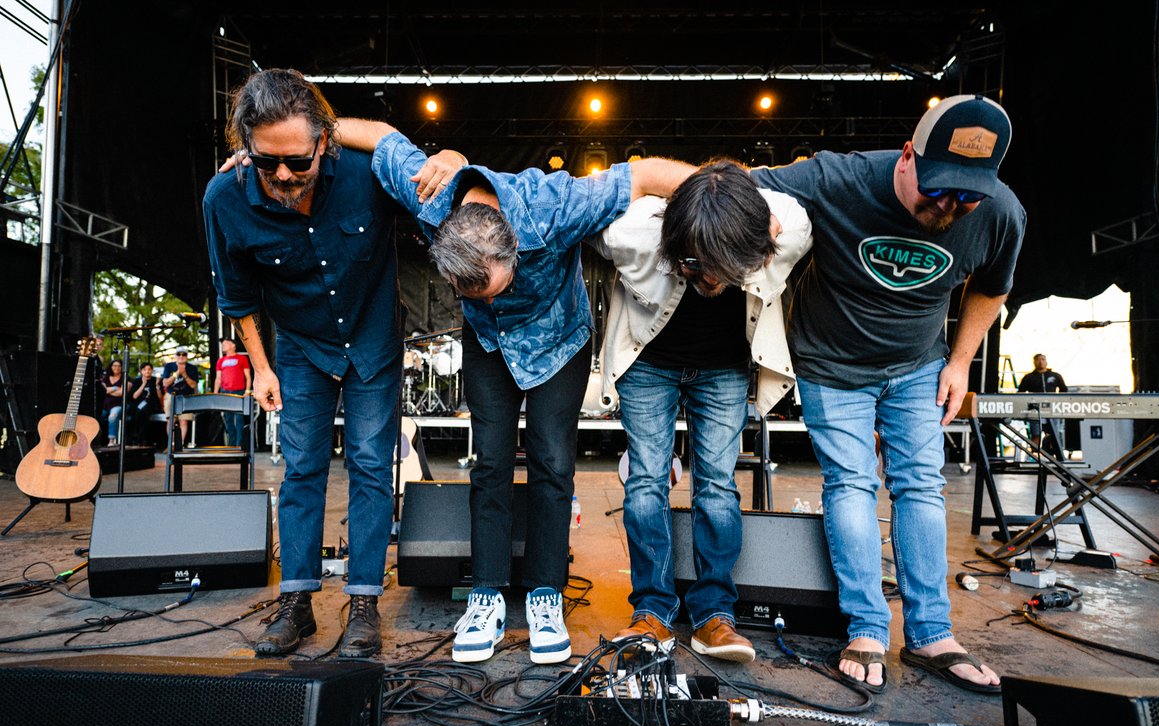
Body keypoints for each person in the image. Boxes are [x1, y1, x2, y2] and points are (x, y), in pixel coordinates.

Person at [334, 116, 694, 665]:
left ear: (512, 252)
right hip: (489, 347)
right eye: (469, 292)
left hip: (559, 343)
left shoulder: (558, 204)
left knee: (553, 462)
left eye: (493, 288)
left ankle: (546, 594)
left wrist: (731, 197)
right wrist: (286, 141)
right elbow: (382, 137)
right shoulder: (433, 197)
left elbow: (645, 174)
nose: (488, 297)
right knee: (489, 464)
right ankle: (486, 595)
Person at [753, 94, 1024, 694]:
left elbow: (992, 288)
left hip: (919, 364)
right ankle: (867, 628)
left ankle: (931, 635)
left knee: (921, 485)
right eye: (938, 189)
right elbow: (732, 188)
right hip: (832, 363)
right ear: (908, 155)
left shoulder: (1002, 212)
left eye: (966, 195)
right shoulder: (836, 177)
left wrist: (959, 363)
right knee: (850, 483)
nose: (950, 206)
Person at [204, 69, 461, 659]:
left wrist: (451, 155)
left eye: (297, 159)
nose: (284, 176)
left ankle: (364, 603)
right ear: (245, 147)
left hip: (372, 340)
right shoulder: (224, 198)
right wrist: (261, 368)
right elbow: (237, 297)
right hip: (298, 347)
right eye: (267, 163)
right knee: (301, 470)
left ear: (325, 140)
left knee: (372, 466)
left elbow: (423, 173)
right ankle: (297, 603)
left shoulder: (364, 170)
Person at [591, 160, 812, 661]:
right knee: (646, 481)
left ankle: (715, 615)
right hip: (649, 365)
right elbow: (595, 202)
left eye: (725, 267)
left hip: (725, 369)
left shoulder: (781, 225)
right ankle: (652, 612)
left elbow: (793, 217)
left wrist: (753, 209)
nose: (710, 278)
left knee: (717, 485)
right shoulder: (633, 232)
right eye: (694, 264)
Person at [1017, 353, 1068, 457]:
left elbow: (1064, 390)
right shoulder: (1029, 377)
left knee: (1054, 433)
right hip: (1035, 410)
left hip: (1052, 409)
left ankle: (1054, 455)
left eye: (1043, 359)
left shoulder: (1055, 376)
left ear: (1046, 361)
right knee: (1036, 433)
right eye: (1038, 360)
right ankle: (1035, 456)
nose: (1040, 362)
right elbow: (1020, 393)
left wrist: (1059, 402)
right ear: (1034, 362)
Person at [213, 336, 252, 447]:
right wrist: (216, 394)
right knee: (228, 419)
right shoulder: (221, 361)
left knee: (239, 419)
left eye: (225, 343)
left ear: (233, 345)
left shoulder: (242, 358)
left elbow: (248, 376)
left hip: (239, 392)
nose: (223, 345)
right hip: (225, 392)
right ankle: (231, 444)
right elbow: (218, 379)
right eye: (222, 344)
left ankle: (239, 445)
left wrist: (247, 391)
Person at [161, 347, 199, 443]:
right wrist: (177, 373)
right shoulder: (169, 366)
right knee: (170, 421)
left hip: (186, 397)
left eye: (184, 354)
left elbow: (193, 385)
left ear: (187, 356)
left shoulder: (192, 368)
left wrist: (184, 374)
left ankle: (180, 444)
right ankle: (172, 444)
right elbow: (165, 383)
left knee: (184, 421)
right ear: (175, 356)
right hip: (171, 395)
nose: (181, 356)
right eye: (179, 354)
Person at [128, 362, 161, 446]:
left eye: (149, 369)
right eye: (144, 369)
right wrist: (143, 384)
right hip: (138, 403)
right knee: (135, 411)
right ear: (141, 371)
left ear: (152, 370)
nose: (147, 371)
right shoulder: (137, 380)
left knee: (144, 411)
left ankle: (141, 438)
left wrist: (157, 386)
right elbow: (134, 396)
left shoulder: (155, 380)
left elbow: (160, 397)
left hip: (151, 403)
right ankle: (136, 437)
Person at [100, 358, 132, 447]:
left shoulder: (126, 378)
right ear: (111, 367)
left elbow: (122, 393)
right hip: (105, 404)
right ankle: (97, 439)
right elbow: (102, 391)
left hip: (119, 404)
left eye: (119, 366)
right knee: (96, 416)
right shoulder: (105, 378)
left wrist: (108, 390)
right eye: (114, 365)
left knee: (112, 416)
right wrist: (115, 388)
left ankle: (111, 440)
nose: (116, 367)